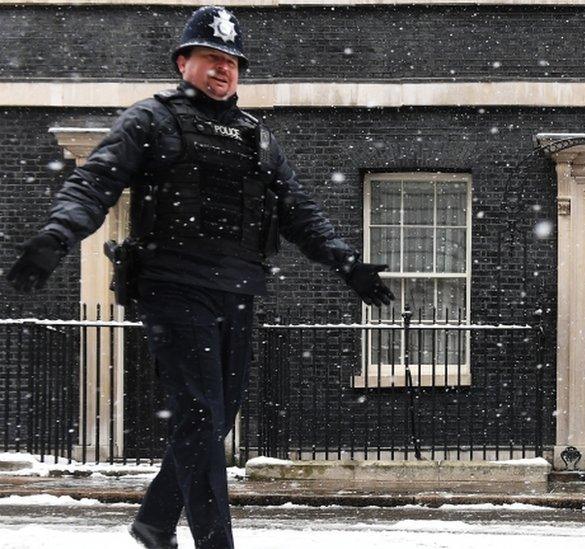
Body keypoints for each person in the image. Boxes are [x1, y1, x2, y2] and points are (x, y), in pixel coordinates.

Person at [6, 6, 394, 548]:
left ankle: (154, 522)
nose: (224, 70)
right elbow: (93, 182)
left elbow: (300, 212)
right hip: (173, 286)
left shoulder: (257, 138)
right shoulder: (151, 119)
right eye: (212, 58)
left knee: (213, 420)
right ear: (183, 61)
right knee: (199, 416)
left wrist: (345, 263)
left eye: (232, 62)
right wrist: (57, 237)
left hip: (237, 290)